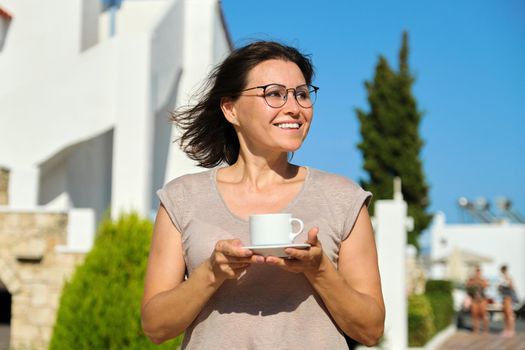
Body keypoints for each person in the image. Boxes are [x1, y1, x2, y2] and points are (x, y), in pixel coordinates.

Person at [141, 41, 385, 349]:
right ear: (230, 108)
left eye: (301, 94)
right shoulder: (182, 198)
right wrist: (212, 273)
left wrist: (319, 270)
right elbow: (155, 327)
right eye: (274, 93)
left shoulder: (343, 199)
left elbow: (371, 330)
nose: (294, 107)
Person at [466, 266, 489, 333]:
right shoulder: (471, 280)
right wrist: (473, 282)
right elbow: (468, 287)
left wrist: (479, 281)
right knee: (474, 315)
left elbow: (486, 285)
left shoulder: (483, 279)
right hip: (474, 300)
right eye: (477, 271)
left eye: (479, 271)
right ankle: (475, 329)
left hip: (482, 300)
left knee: (484, 315)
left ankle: (485, 330)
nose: (478, 272)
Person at [498, 265, 517, 337]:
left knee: (509, 314)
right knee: (505, 315)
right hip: (504, 298)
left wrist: (506, 284)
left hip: (509, 298)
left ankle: (511, 330)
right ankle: (506, 330)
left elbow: (512, 287)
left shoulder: (509, 278)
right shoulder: (501, 278)